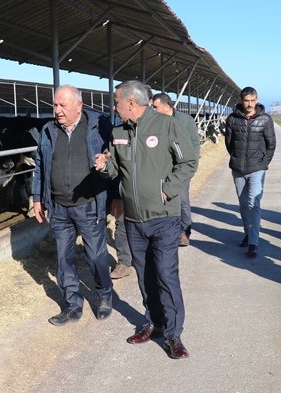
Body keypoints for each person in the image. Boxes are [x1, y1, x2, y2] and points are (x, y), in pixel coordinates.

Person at [93, 80, 197, 359]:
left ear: (131, 103)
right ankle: (154, 321)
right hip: (134, 218)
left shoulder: (166, 126)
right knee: (145, 275)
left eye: (116, 102)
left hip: (164, 217)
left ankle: (174, 334)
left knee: (165, 274)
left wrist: (167, 189)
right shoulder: (118, 132)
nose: (114, 107)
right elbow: (116, 168)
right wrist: (104, 166)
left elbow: (188, 161)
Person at [31, 85, 114, 326]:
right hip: (58, 206)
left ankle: (104, 295)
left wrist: (117, 197)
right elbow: (39, 166)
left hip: (89, 204)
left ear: (79, 105)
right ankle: (72, 304)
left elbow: (117, 159)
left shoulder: (98, 128)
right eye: (55, 105)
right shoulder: (48, 131)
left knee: (96, 255)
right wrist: (37, 198)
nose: (57, 110)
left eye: (62, 105)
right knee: (64, 258)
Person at [223, 86, 276, 258]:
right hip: (238, 168)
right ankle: (247, 232)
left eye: (253, 100)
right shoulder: (232, 119)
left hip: (257, 168)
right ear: (241, 101)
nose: (250, 104)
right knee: (243, 203)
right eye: (246, 101)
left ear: (257, 100)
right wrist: (237, 157)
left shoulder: (265, 120)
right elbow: (229, 143)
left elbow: (271, 144)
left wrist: (263, 162)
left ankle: (253, 242)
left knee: (254, 203)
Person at [151, 92, 201, 247]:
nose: (152, 109)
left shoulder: (186, 121)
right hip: (162, 168)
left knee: (182, 200)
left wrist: (190, 167)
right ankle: (168, 232)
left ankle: (184, 232)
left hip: (181, 168)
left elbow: (194, 144)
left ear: (167, 107)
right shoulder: (155, 122)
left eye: (155, 106)